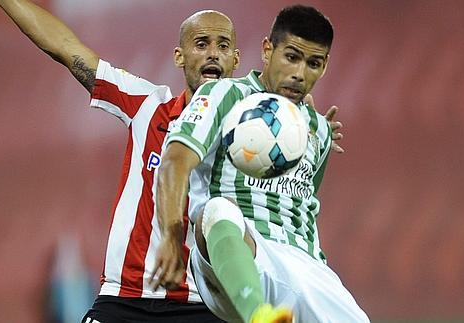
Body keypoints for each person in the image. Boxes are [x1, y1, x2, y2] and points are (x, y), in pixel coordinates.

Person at [0, 1, 344, 322]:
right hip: (125, 297)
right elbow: (66, 49)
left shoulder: (256, 133)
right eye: (201, 43)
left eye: (223, 46)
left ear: (237, 59)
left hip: (203, 303)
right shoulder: (147, 105)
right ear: (179, 57)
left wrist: (303, 129)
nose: (212, 54)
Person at [153, 5, 368, 323]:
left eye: (313, 63)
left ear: (324, 67)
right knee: (216, 210)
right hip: (241, 252)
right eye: (291, 57)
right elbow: (174, 161)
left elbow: (305, 205)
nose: (299, 73)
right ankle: (259, 316)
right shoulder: (224, 94)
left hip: (305, 266)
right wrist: (171, 236)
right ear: (268, 50)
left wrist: (316, 130)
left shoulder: (319, 130)